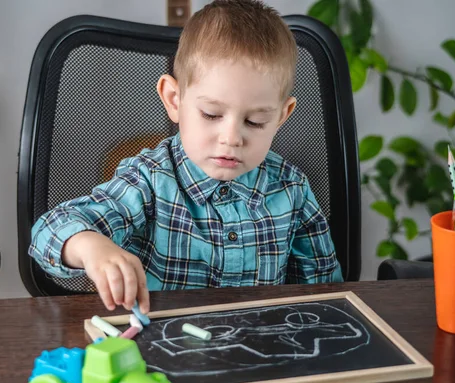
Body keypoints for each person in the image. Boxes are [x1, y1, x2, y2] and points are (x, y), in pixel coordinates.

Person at [29, 0, 343, 316]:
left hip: (262, 348)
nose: (232, 138)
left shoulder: (292, 188)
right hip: (161, 346)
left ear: (281, 116)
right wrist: (92, 248)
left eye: (255, 121)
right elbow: (49, 229)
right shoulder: (148, 180)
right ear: (174, 100)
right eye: (211, 114)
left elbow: (325, 294)